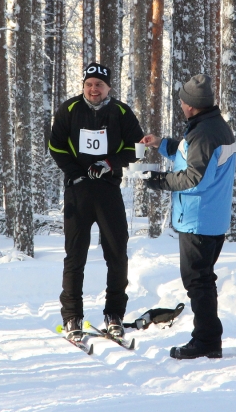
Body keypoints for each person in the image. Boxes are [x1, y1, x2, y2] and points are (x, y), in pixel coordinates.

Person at [140, 74, 236, 359]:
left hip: (199, 219)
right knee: (201, 279)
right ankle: (207, 338)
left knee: (198, 281)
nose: (180, 105)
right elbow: (188, 154)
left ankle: (206, 341)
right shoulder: (207, 127)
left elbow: (195, 178)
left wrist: (157, 180)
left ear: (191, 106)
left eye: (182, 101)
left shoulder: (204, 134)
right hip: (208, 218)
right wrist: (161, 144)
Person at [48, 62, 144, 341]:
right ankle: (72, 316)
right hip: (78, 191)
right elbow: (56, 146)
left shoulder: (121, 112)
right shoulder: (69, 109)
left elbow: (136, 147)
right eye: (89, 84)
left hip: (108, 189)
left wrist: (110, 163)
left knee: (117, 252)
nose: (93, 89)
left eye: (99, 85)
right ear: (83, 86)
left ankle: (114, 313)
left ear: (108, 88)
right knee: (75, 256)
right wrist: (76, 174)